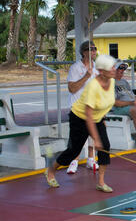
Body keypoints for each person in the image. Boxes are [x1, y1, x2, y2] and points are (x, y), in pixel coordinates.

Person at [44, 55, 117, 192]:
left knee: (105, 147)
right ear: (101, 71)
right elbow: (88, 115)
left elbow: (107, 101)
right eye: (111, 67)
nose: (114, 69)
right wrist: (95, 139)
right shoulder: (93, 86)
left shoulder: (111, 81)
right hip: (80, 118)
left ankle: (101, 182)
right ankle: (51, 170)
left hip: (97, 118)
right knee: (73, 151)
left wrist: (131, 103)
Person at [66, 40, 99, 175]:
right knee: (76, 136)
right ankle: (73, 161)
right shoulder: (75, 68)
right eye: (91, 49)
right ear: (84, 52)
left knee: (92, 135)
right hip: (77, 108)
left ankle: (91, 159)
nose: (94, 51)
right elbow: (72, 88)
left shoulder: (96, 67)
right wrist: (86, 76)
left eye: (95, 49)